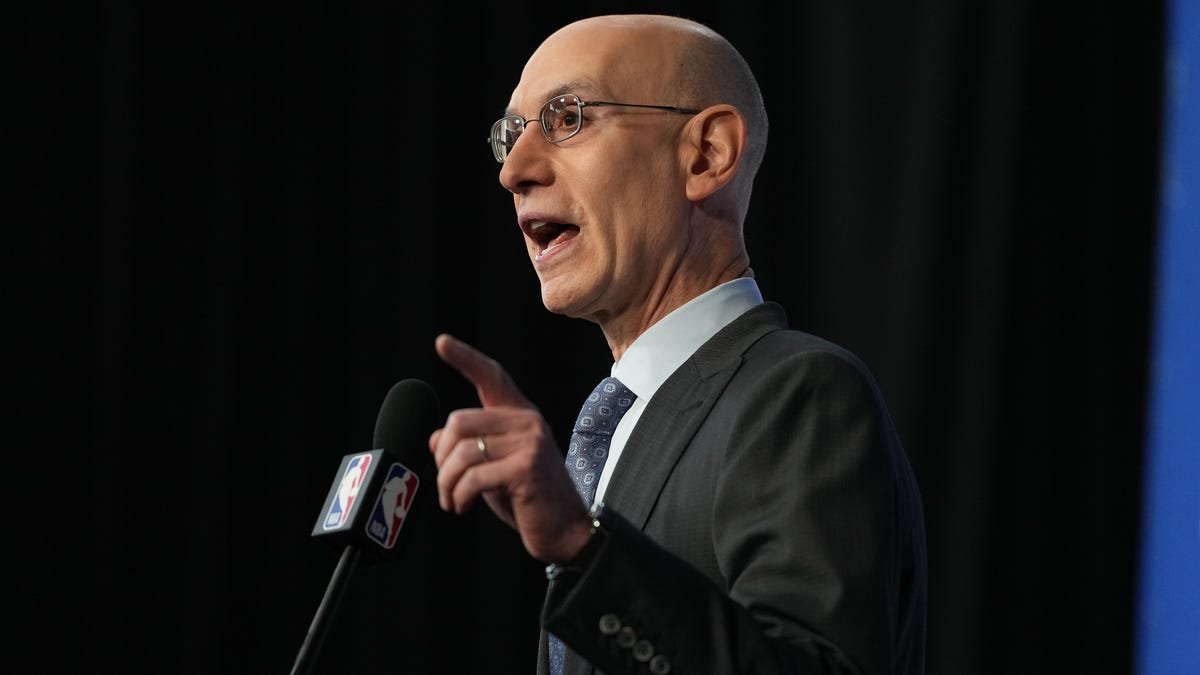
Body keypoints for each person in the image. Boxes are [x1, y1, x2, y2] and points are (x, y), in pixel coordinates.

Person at [428, 13, 926, 675]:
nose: (513, 171)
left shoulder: (798, 395)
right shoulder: (614, 431)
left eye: (567, 117)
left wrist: (580, 546)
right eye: (511, 135)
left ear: (707, 154)